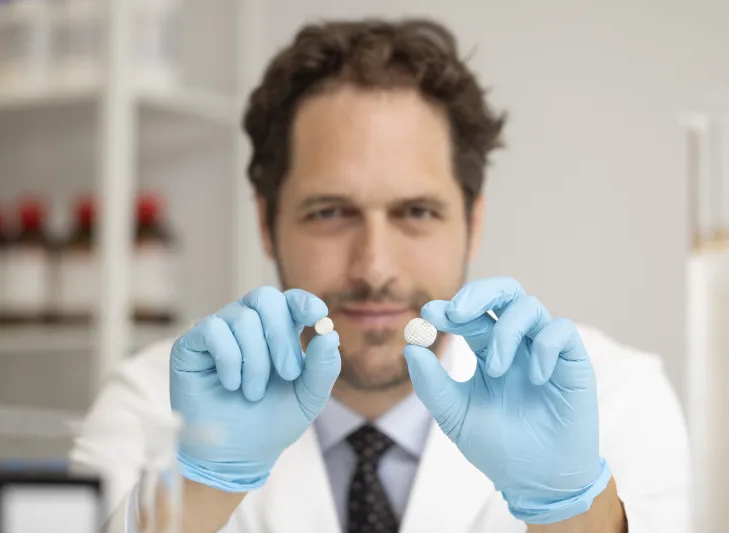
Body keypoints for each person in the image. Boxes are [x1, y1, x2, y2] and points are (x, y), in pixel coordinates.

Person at [71, 17, 690, 533]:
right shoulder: (153, 404)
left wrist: (570, 510)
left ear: (473, 221)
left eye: (416, 212)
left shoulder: (613, 401)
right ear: (266, 221)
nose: (374, 267)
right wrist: (199, 487)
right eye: (330, 213)